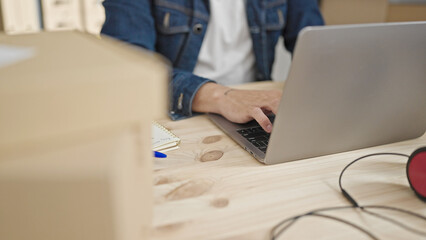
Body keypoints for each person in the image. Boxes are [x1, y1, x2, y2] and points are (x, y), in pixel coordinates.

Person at [101, 0, 324, 133]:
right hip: (173, 114)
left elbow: (318, 45)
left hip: (255, 111)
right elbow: (128, 66)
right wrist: (222, 97)